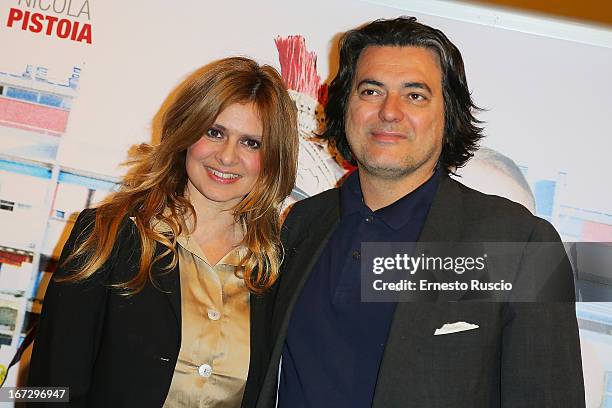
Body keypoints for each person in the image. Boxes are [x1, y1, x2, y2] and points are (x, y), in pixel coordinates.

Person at [242, 17, 585, 407]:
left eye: (415, 95)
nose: (389, 111)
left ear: (448, 114)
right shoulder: (301, 225)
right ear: (343, 106)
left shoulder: (519, 244)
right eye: (371, 91)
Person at [28, 57, 298, 407]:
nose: (228, 157)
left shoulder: (277, 266)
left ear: (274, 157)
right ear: (186, 133)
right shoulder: (107, 235)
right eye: (214, 132)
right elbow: (49, 391)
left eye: (251, 143)